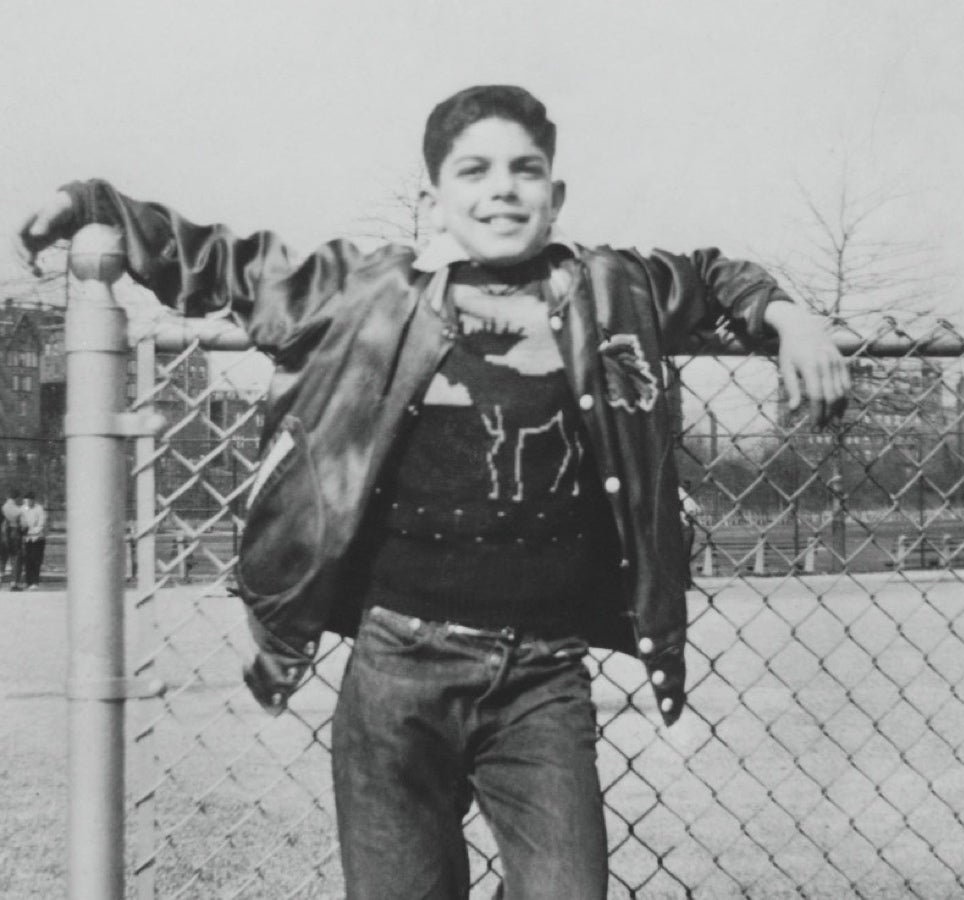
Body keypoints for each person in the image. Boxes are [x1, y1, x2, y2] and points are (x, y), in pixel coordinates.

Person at [16, 85, 849, 900]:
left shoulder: (609, 288)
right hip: (397, 668)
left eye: (524, 171)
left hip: (542, 675)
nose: (501, 190)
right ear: (433, 198)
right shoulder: (365, 293)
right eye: (474, 171)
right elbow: (220, 261)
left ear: (555, 193)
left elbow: (708, 276)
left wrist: (788, 316)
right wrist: (96, 203)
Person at [20, 492, 46, 590]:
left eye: (30, 500)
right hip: (27, 539)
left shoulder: (39, 508)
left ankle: (35, 582)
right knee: (27, 560)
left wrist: (31, 531)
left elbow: (41, 523)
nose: (28, 502)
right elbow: (22, 522)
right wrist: (26, 531)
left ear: (33, 500)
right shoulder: (22, 509)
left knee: (36, 560)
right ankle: (28, 581)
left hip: (38, 539)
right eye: (27, 500)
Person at [678, 480, 702, 588]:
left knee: (683, 556)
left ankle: (685, 582)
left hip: (685, 529)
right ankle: (685, 582)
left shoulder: (684, 497)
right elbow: (698, 510)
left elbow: (694, 511)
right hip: (685, 528)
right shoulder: (687, 497)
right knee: (683, 557)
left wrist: (685, 516)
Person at [0, 490, 24, 589]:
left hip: (2, 534)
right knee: (16, 558)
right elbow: (23, 524)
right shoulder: (18, 510)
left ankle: (0, 577)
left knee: (2, 558)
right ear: (17, 498)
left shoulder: (3, 507)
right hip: (14, 534)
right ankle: (14, 583)